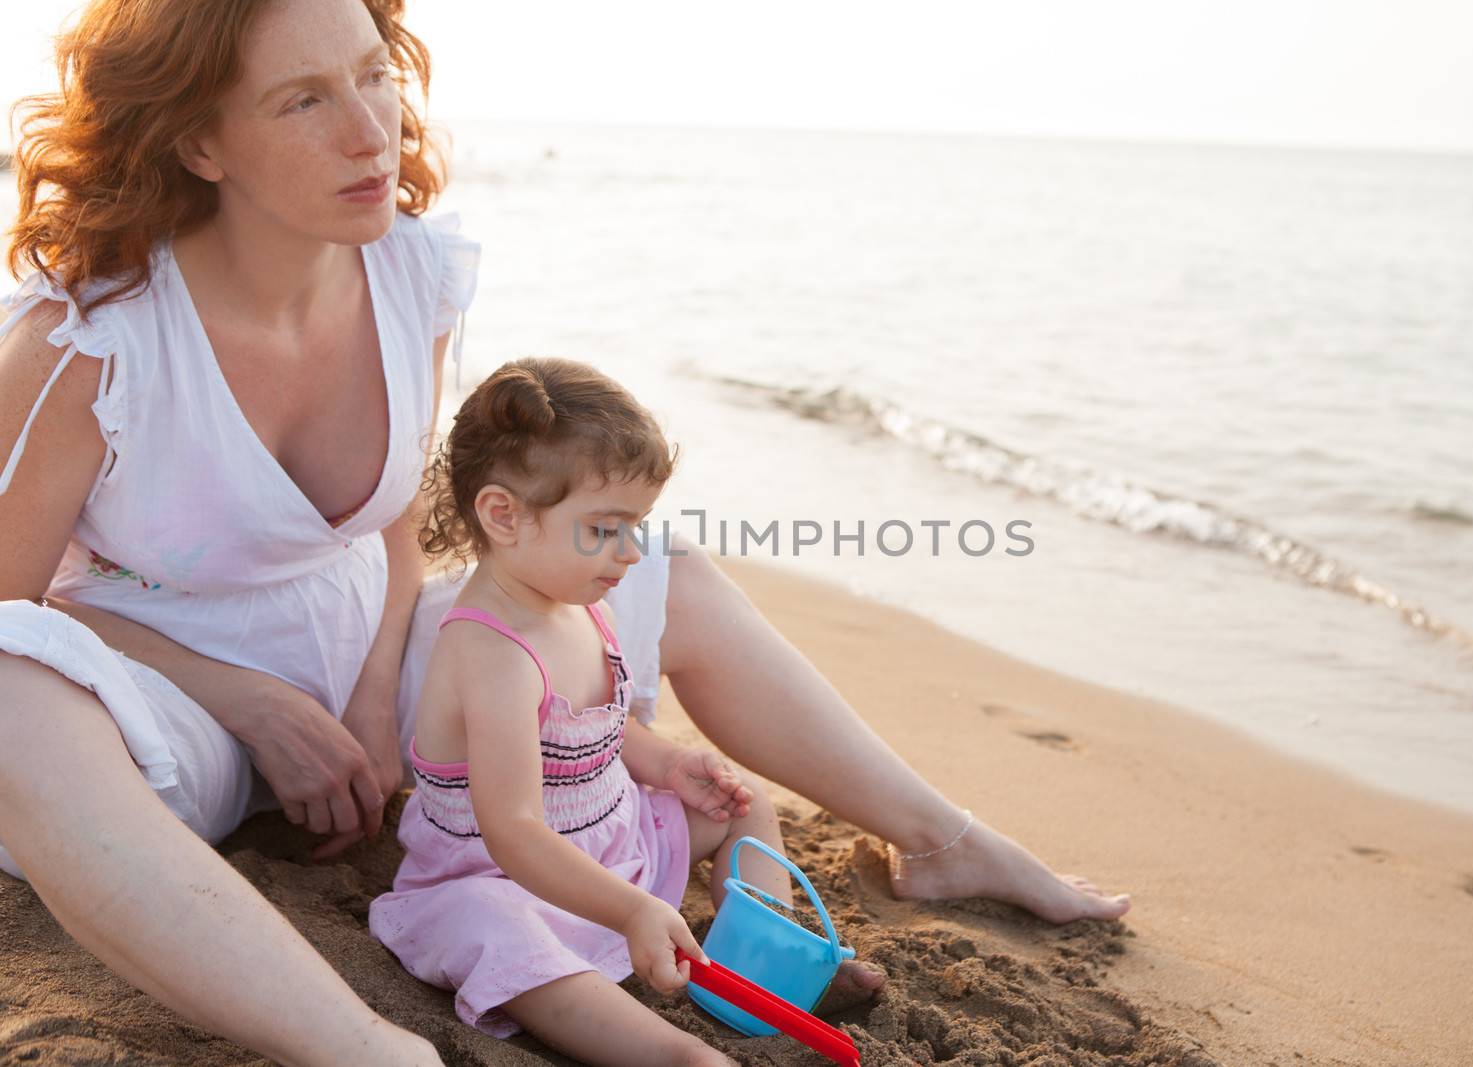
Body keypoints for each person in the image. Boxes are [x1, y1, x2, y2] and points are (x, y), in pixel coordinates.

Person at [0, 1, 1130, 1065]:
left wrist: (375, 693)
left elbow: (389, 520)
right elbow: (13, 605)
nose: (370, 133)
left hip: (363, 644)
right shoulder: (86, 337)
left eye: (372, 76)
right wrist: (244, 698)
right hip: (169, 697)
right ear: (201, 142)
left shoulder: (405, 267)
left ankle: (938, 839)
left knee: (659, 570)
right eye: (303, 102)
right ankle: (366, 1049)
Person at [371, 356, 808, 1066]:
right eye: (607, 527)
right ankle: (673, 1052)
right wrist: (632, 909)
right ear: (503, 514)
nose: (632, 551)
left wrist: (669, 762)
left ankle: (757, 978)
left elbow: (595, 729)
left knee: (743, 801)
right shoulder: (492, 652)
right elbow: (513, 831)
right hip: (503, 878)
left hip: (609, 839)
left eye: (638, 525)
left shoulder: (576, 603)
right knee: (510, 943)